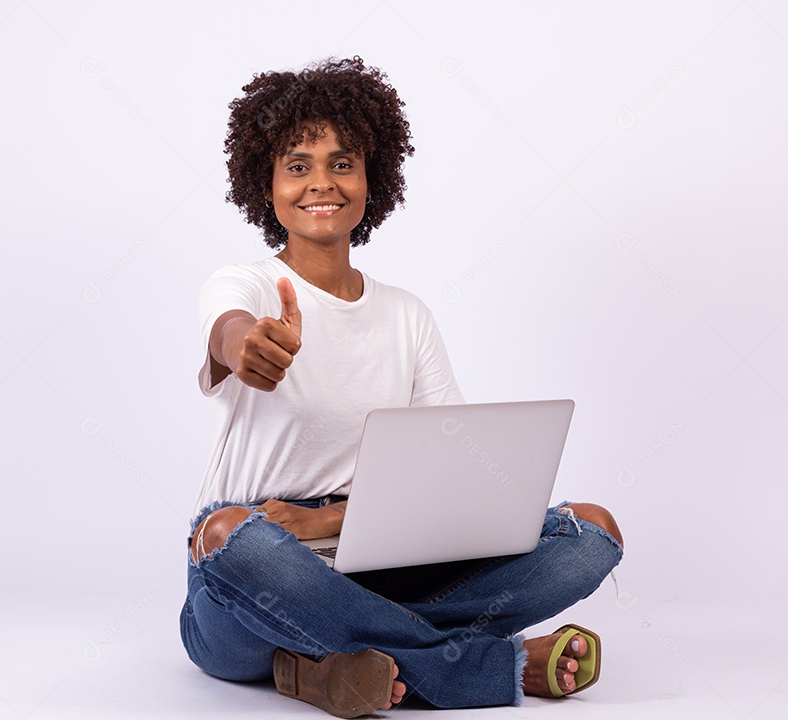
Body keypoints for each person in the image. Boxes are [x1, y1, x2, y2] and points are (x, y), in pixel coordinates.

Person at [179, 56, 624, 717]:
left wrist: (328, 519)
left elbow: (447, 485)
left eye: (342, 163)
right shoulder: (244, 285)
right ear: (265, 185)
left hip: (381, 562)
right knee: (225, 535)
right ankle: (484, 667)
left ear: (370, 179)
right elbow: (230, 331)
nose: (320, 182)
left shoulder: (407, 315)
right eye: (297, 165)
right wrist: (248, 347)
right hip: (257, 578)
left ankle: (331, 668)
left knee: (593, 533)